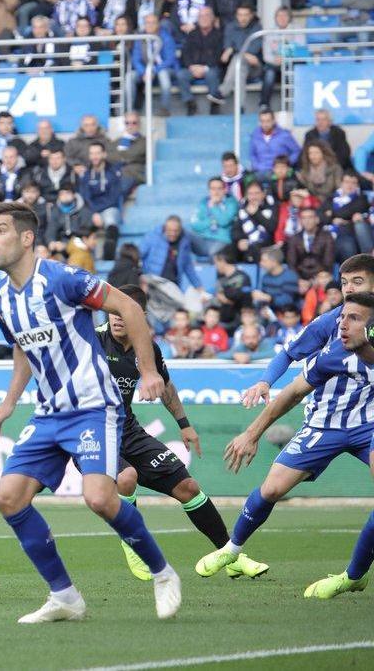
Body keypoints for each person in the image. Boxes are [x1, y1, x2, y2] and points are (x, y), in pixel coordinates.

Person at [0, 201, 181, 623]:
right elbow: (22, 347)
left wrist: (149, 372)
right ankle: (65, 597)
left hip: (93, 406)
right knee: (8, 497)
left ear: (26, 237)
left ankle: (163, 573)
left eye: (0, 230)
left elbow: (128, 307)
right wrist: (8, 402)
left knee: (99, 498)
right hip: (49, 412)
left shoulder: (63, 278)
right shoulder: (0, 296)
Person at [197, 293, 374, 592]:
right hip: (325, 424)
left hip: (369, 425)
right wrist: (251, 433)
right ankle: (232, 548)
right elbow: (293, 392)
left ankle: (353, 577)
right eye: (342, 316)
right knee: (272, 488)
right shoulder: (332, 354)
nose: (341, 324)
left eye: (352, 318)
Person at [98, 284, 268, 579]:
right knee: (126, 478)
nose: (116, 317)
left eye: (123, 311)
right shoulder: (92, 341)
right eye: (112, 311)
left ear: (138, 314)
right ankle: (133, 543)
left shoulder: (147, 347)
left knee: (188, 488)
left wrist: (184, 424)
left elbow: (165, 385)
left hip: (127, 430)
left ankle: (229, 555)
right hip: (91, 433)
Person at [241, 254, 374, 407]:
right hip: (331, 415)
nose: (348, 289)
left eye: (357, 282)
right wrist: (265, 382)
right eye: (344, 283)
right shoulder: (329, 321)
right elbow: (288, 352)